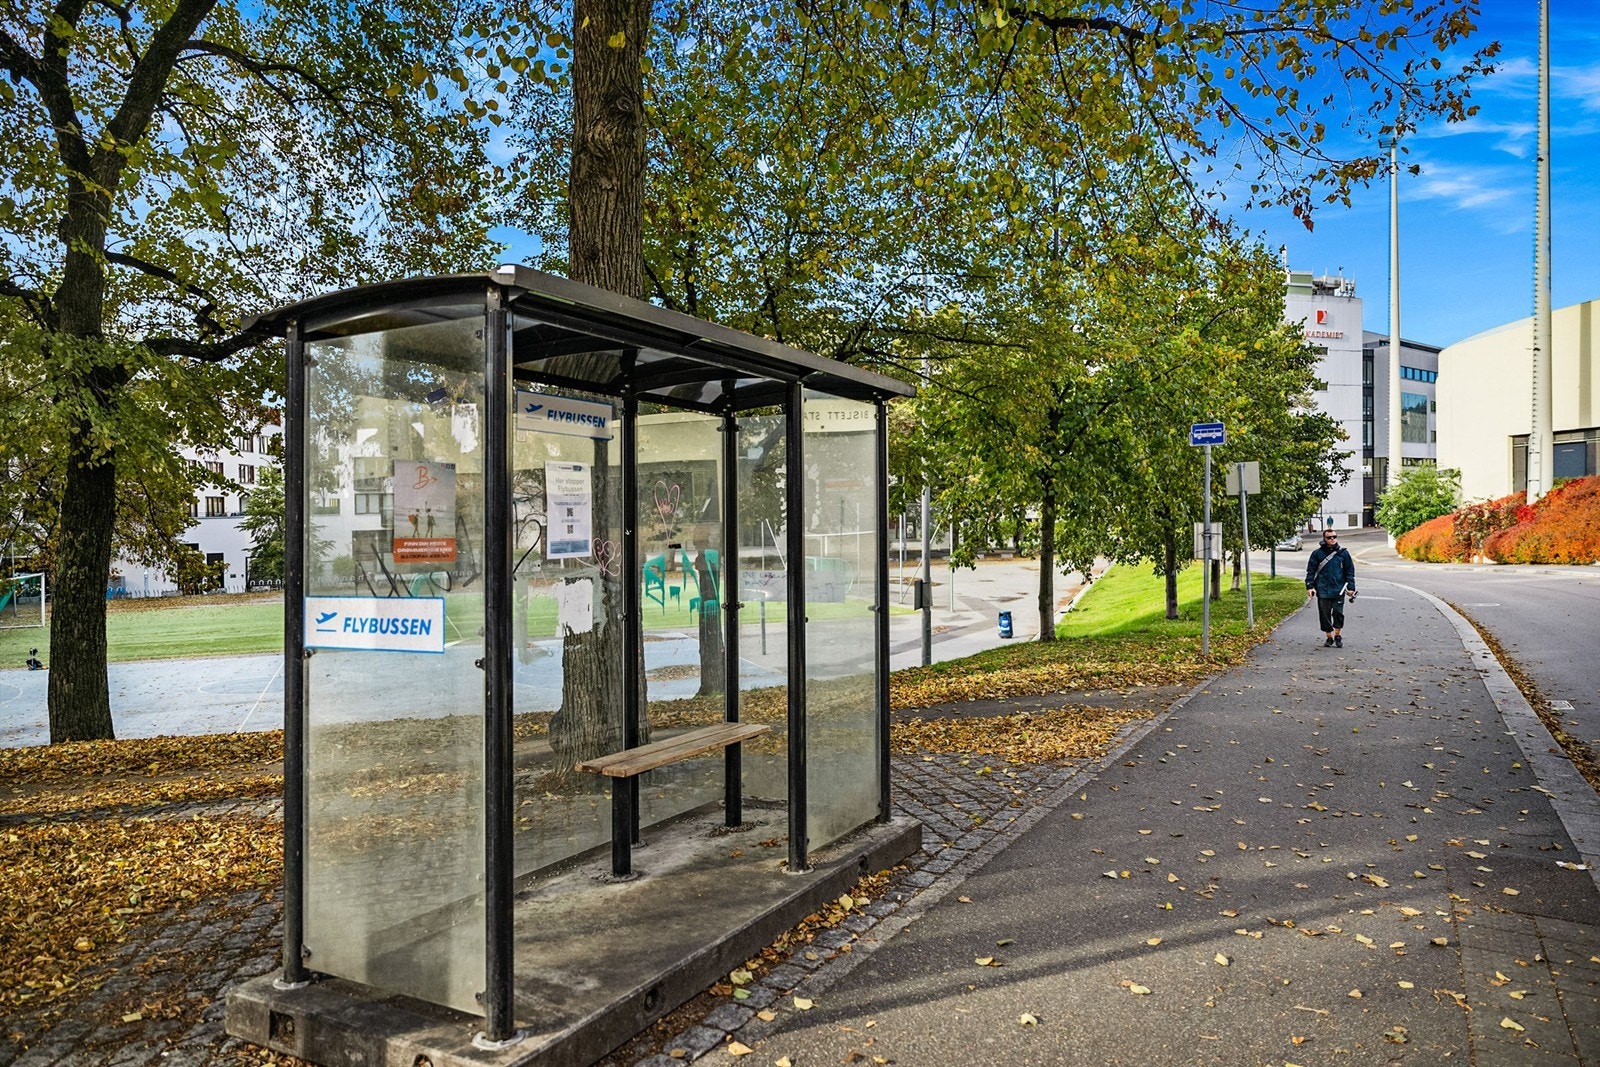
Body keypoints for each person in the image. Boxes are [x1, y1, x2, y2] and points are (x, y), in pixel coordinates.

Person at [1305, 528, 1357, 647]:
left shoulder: (1343, 553)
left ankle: (1338, 635)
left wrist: (1351, 587)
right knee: (1324, 615)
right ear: (1324, 539)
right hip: (1323, 589)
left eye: (1334, 537)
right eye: (1329, 537)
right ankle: (1329, 637)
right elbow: (1310, 571)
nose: (1332, 539)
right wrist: (1310, 586)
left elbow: (1350, 571)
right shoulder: (1317, 554)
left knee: (1338, 613)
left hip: (1339, 589)